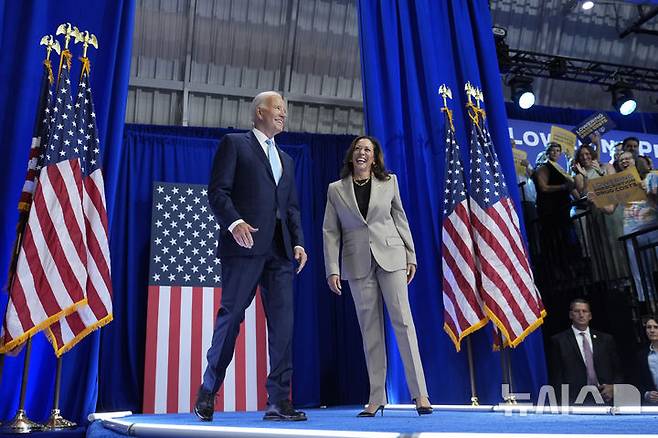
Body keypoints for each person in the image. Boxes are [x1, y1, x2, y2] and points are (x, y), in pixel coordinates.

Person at [195, 91, 308, 422]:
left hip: (281, 251)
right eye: (278, 108)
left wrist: (299, 242)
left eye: (285, 110)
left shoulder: (286, 160)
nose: (283, 115)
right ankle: (207, 391)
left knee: (283, 327)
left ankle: (278, 401)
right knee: (231, 319)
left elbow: (291, 208)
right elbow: (217, 191)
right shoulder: (235, 144)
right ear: (260, 112)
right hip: (244, 247)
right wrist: (234, 221)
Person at [322, 135, 432, 417]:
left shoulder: (389, 182)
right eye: (358, 149)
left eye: (367, 150)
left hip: (391, 256)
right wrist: (332, 269)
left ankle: (420, 394)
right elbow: (331, 232)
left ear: (374, 157)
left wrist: (411, 255)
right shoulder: (336, 190)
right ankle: (376, 397)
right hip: (357, 264)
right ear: (351, 156)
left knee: (404, 323)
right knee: (370, 331)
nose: (362, 153)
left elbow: (400, 218)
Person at [548, 298, 623, 405]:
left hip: (605, 395)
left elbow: (618, 369)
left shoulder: (605, 339)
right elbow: (557, 375)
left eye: (584, 311)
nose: (581, 314)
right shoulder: (559, 341)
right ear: (570, 315)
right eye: (577, 311)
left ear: (590, 316)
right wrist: (562, 402)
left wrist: (614, 387)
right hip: (574, 398)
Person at [633, 317, 658, 404]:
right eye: (648, 327)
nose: (652, 330)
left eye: (656, 327)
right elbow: (637, 381)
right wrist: (646, 394)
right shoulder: (641, 355)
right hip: (654, 404)